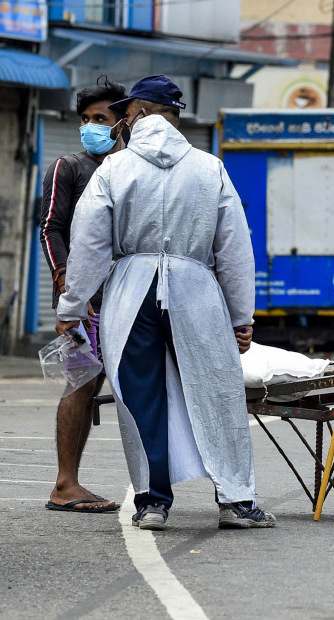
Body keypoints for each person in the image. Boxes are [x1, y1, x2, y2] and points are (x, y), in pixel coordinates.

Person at [55, 75, 275, 531]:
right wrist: (241, 316)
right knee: (216, 392)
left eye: (125, 114)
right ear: (174, 116)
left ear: (138, 113)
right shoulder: (209, 167)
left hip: (131, 292)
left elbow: (89, 245)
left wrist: (72, 308)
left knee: (141, 396)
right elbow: (234, 248)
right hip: (195, 288)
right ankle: (236, 501)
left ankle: (152, 502)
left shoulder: (113, 170)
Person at [40, 77, 128, 514]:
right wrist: (67, 289)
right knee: (82, 383)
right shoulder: (68, 167)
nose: (90, 126)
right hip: (83, 304)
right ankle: (65, 484)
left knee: (126, 384)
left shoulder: (130, 168)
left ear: (122, 124)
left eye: (100, 119)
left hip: (126, 298)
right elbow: (50, 228)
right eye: (86, 119)